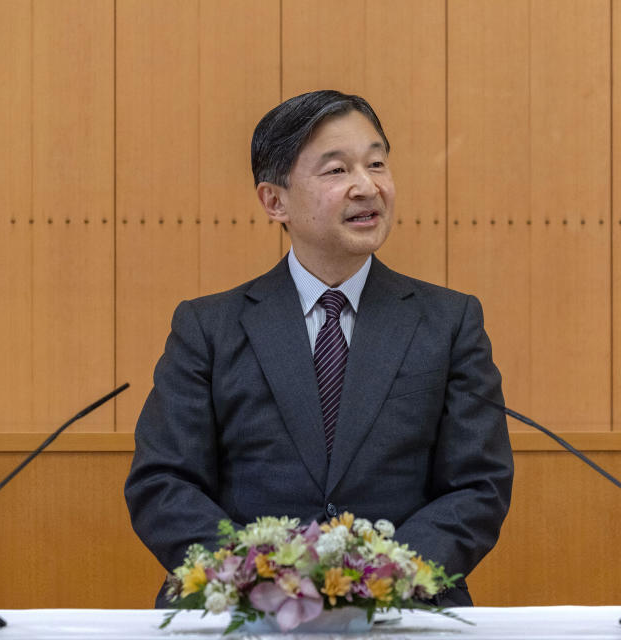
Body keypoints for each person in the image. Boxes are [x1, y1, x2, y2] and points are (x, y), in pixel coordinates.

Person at [125, 90, 513, 607]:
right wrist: (255, 577)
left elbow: (478, 485)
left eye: (377, 164)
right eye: (336, 171)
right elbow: (163, 482)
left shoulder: (449, 322)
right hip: (243, 607)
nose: (367, 186)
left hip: (405, 605)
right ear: (274, 201)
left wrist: (379, 579)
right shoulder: (207, 327)